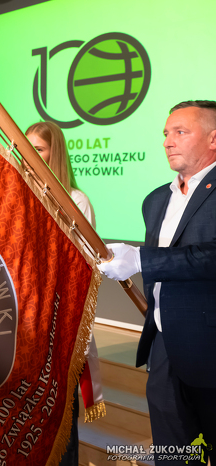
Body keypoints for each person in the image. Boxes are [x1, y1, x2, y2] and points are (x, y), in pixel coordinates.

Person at [98, 101, 216, 462]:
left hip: (211, 348)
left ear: (213, 139)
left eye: (180, 132)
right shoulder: (155, 200)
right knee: (173, 454)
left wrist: (140, 260)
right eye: (166, 133)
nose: (168, 141)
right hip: (164, 346)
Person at [26, 121, 103, 466]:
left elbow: (79, 261)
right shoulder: (16, 190)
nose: (30, 155)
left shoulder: (75, 199)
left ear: (54, 152)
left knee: (60, 408)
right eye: (26, 147)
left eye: (38, 149)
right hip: (23, 314)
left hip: (57, 316)